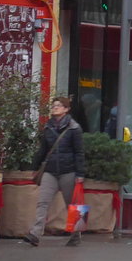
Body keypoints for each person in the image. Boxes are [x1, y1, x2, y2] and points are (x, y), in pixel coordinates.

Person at [25, 96, 86, 247]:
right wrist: (34, 167)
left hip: (68, 171)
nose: (55, 107)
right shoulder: (48, 127)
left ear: (66, 109)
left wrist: (80, 174)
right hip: (50, 171)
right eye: (54, 105)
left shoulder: (74, 128)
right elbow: (43, 150)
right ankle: (35, 233)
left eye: (59, 105)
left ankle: (76, 234)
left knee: (72, 205)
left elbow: (79, 152)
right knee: (42, 202)